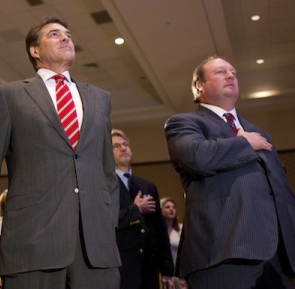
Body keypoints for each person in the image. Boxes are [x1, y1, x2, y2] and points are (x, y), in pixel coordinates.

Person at [0, 16, 121, 289]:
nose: (66, 38)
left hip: (96, 249)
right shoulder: (10, 96)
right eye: (54, 34)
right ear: (34, 50)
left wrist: (107, 223)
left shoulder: (100, 98)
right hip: (32, 244)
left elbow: (107, 171)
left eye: (68, 34)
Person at [164, 55, 295, 288]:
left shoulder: (258, 132)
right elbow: (197, 157)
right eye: (221, 72)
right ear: (199, 85)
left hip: (277, 258)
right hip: (222, 254)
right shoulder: (184, 123)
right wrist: (244, 144)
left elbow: (281, 190)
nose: (231, 75)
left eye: (233, 72)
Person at [111, 128, 174, 289]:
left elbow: (159, 231)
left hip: (148, 269)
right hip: (120, 268)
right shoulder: (104, 186)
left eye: (126, 144)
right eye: (116, 146)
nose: (124, 148)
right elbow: (106, 222)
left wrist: (166, 270)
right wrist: (136, 209)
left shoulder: (148, 186)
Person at [160, 197, 187, 289]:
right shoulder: (158, 232)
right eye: (167, 207)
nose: (171, 209)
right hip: (165, 273)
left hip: (181, 273)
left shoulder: (181, 229)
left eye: (173, 207)